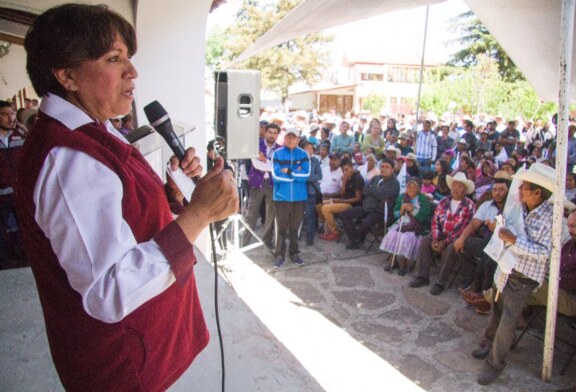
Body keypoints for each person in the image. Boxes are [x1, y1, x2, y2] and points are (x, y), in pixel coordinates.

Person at [16, 5, 238, 391]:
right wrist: (199, 214)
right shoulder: (68, 158)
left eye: (129, 59)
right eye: (114, 59)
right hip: (123, 367)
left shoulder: (94, 130)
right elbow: (108, 290)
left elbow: (124, 215)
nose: (132, 72)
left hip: (145, 348)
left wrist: (175, 192)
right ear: (67, 75)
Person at [472, 163, 567, 386]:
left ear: (537, 192)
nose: (520, 189)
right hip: (505, 267)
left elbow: (545, 253)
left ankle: (495, 363)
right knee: (497, 310)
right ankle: (489, 343)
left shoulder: (551, 218)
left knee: (508, 320)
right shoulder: (519, 207)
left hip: (523, 276)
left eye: (524, 186)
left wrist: (515, 241)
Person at [409, 172, 476, 292]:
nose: (455, 188)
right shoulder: (443, 202)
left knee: (451, 248)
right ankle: (422, 276)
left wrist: (445, 242)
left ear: (465, 190)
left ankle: (440, 283)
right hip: (440, 234)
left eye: (460, 186)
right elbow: (435, 221)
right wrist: (435, 238)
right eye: (454, 185)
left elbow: (464, 229)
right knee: (425, 241)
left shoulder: (470, 206)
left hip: (456, 238)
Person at [456, 173, 511, 314]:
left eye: (502, 190)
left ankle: (482, 298)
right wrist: (461, 238)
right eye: (495, 189)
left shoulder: (512, 208)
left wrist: (497, 229)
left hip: (505, 248)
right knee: (465, 244)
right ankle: (471, 279)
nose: (498, 193)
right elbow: (474, 224)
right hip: (488, 243)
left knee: (488, 261)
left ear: (508, 191)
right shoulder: (487, 205)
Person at [340, 159, 400, 250]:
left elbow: (382, 195)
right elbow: (364, 191)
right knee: (344, 215)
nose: (383, 169)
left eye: (387, 167)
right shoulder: (376, 178)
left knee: (365, 223)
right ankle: (355, 239)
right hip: (367, 206)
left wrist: (372, 189)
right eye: (382, 166)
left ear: (392, 170)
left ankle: (358, 239)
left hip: (380, 211)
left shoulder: (394, 183)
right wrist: (375, 191)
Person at [271, 128, 310, 267]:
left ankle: (293, 253)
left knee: (295, 228)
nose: (291, 140)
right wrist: (296, 175)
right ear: (284, 138)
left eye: (294, 137)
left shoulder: (304, 154)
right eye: (288, 137)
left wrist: (289, 171)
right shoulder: (277, 154)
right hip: (281, 197)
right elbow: (275, 176)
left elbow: (306, 175)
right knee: (281, 228)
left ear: (298, 139)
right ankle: (279, 254)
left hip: (299, 198)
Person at [380, 177, 432, 275]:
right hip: (402, 223)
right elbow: (395, 214)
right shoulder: (402, 197)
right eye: (409, 187)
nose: (411, 189)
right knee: (392, 234)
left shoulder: (423, 199)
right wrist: (401, 211)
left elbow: (423, 217)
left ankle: (403, 264)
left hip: (416, 226)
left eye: (414, 187)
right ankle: (394, 261)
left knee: (406, 237)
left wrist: (413, 210)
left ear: (418, 189)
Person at [243, 123, 281, 248]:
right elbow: (256, 164)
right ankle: (245, 241)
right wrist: (271, 165)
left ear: (277, 135)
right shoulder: (256, 145)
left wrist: (265, 160)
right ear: (265, 132)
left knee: (271, 214)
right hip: (256, 183)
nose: (272, 135)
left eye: (275, 133)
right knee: (251, 214)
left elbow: (278, 168)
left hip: (272, 184)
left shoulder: (280, 150)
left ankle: (266, 241)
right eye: (270, 132)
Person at [0, 101, 26, 269]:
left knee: (25, 230)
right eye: (5, 114)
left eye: (12, 113)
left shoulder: (19, 136)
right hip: (1, 195)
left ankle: (26, 262)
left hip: (18, 194)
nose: (11, 118)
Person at [317, 157, 364, 241]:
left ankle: (335, 232)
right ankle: (330, 224)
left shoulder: (357, 178)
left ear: (352, 167)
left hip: (351, 205)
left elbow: (358, 199)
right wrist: (344, 183)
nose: (345, 172)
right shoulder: (347, 177)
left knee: (325, 209)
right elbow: (342, 193)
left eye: (347, 169)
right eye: (343, 170)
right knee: (318, 204)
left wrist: (340, 200)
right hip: (342, 201)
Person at [303, 141, 322, 246]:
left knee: (310, 215)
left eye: (311, 148)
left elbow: (319, 176)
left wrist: (306, 177)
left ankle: (310, 237)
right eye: (307, 148)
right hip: (300, 190)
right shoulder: (299, 160)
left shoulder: (315, 161)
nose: (309, 150)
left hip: (311, 192)